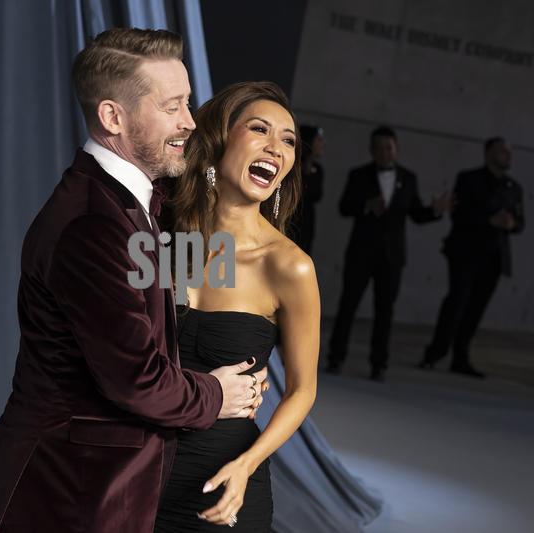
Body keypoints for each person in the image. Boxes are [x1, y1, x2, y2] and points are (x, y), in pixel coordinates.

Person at [0, 29, 267, 533]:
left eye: (188, 103)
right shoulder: (92, 226)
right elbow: (137, 380)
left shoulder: (140, 202)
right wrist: (219, 395)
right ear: (113, 117)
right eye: (172, 107)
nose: (189, 122)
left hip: (105, 489)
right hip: (64, 495)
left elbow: (181, 299)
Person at [153, 81, 321, 531]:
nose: (276, 148)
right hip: (138, 471)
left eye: (288, 140)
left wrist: (248, 464)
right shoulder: (170, 240)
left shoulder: (288, 266)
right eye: (259, 129)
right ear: (218, 140)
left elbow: (302, 390)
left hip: (221, 479)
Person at [326, 126, 451, 382]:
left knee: (385, 311)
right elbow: (344, 207)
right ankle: (335, 358)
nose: (384, 153)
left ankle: (379, 364)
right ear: (371, 151)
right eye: (379, 148)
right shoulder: (358, 175)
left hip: (392, 256)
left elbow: (416, 214)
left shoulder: (408, 178)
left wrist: (435, 210)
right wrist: (366, 206)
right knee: (348, 306)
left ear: (396, 150)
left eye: (389, 148)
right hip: (361, 253)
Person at [419, 137, 525, 378]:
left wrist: (511, 224)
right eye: (502, 151)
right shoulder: (468, 179)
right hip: (465, 252)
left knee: (476, 307)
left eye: (509, 152)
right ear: (488, 153)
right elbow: (459, 215)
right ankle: (435, 352)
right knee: (457, 301)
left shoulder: (513, 188)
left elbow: (520, 222)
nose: (507, 156)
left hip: (494, 257)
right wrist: (489, 220)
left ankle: (461, 357)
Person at [291, 125, 325, 255]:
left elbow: (317, 195)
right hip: (290, 217)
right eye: (318, 140)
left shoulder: (318, 169)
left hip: (307, 220)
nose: (322, 144)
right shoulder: (292, 166)